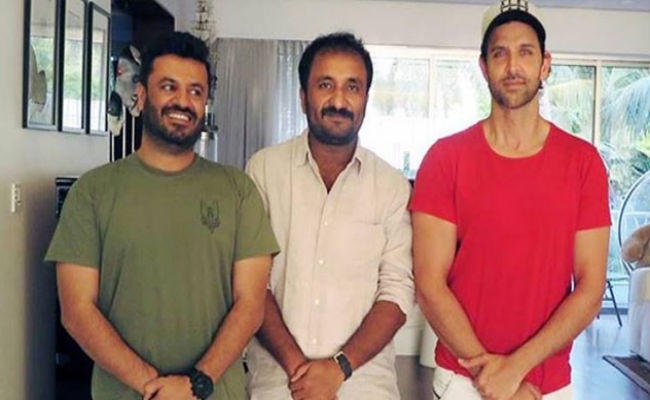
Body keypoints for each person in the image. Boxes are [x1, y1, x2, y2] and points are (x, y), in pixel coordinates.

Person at [45, 31, 279, 400]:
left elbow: (250, 305)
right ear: (141, 95)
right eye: (169, 87)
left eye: (195, 91)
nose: (183, 101)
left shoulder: (238, 190)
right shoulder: (92, 192)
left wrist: (196, 383)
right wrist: (152, 387)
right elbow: (77, 310)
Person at [411, 1, 611, 400]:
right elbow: (430, 285)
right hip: (462, 381)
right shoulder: (445, 159)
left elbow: (590, 289)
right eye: (500, 54)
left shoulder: (583, 163)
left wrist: (516, 370)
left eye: (526, 52)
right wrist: (494, 379)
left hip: (548, 385)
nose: (513, 66)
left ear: (545, 65)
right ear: (484, 67)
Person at [245, 32, 414, 400]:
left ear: (366, 98)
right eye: (325, 85)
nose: (339, 100)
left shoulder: (391, 186)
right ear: (303, 97)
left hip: (364, 386)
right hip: (278, 383)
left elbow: (397, 291)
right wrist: (302, 372)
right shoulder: (264, 170)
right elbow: (253, 283)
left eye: (352, 87)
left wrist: (338, 369)